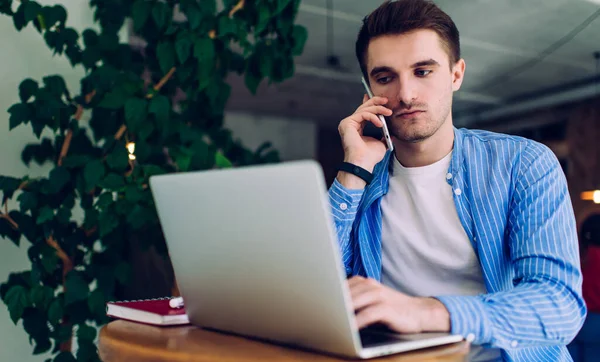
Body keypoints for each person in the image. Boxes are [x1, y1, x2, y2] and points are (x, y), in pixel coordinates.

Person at [327, 1, 586, 361]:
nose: (405, 94)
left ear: (456, 74)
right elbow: (319, 295)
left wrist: (425, 312)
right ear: (368, 91)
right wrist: (353, 168)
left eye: (423, 71)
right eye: (385, 78)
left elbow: (558, 306)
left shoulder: (524, 164)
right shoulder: (361, 178)